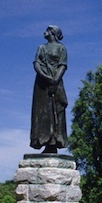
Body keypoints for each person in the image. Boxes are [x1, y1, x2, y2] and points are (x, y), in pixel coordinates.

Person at [31, 25, 69, 153]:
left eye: (47, 30)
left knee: (56, 111)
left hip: (56, 83)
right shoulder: (41, 48)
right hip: (41, 84)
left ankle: (54, 142)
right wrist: (46, 77)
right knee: (42, 113)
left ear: (52, 32)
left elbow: (62, 65)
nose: (44, 32)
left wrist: (54, 81)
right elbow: (36, 64)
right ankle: (44, 141)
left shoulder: (61, 48)